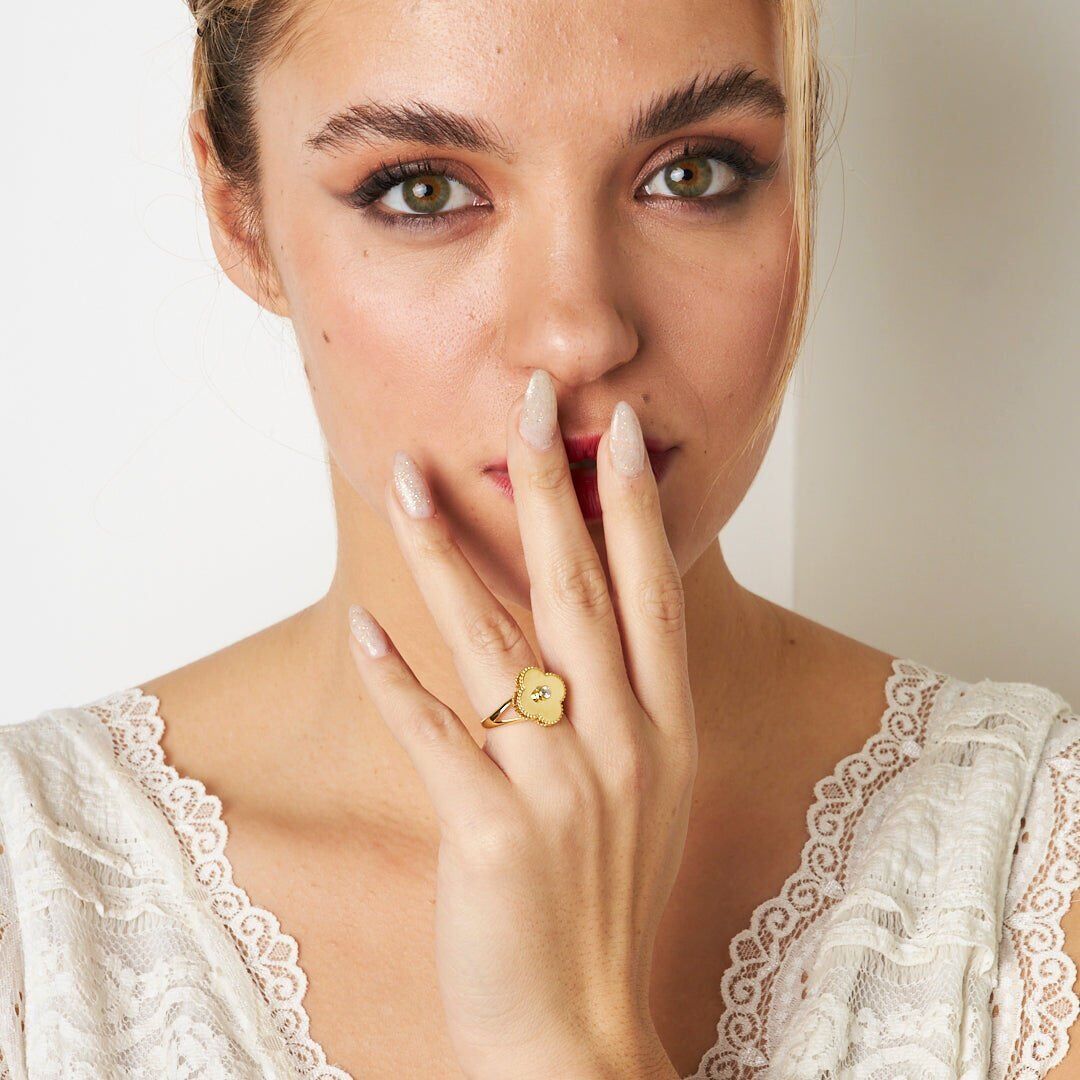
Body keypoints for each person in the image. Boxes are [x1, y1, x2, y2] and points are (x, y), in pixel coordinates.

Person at [1, 0, 1076, 1076]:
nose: (579, 333)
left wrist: (566, 1037)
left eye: (693, 173)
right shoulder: (29, 895)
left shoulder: (1036, 866)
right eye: (423, 190)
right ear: (240, 216)